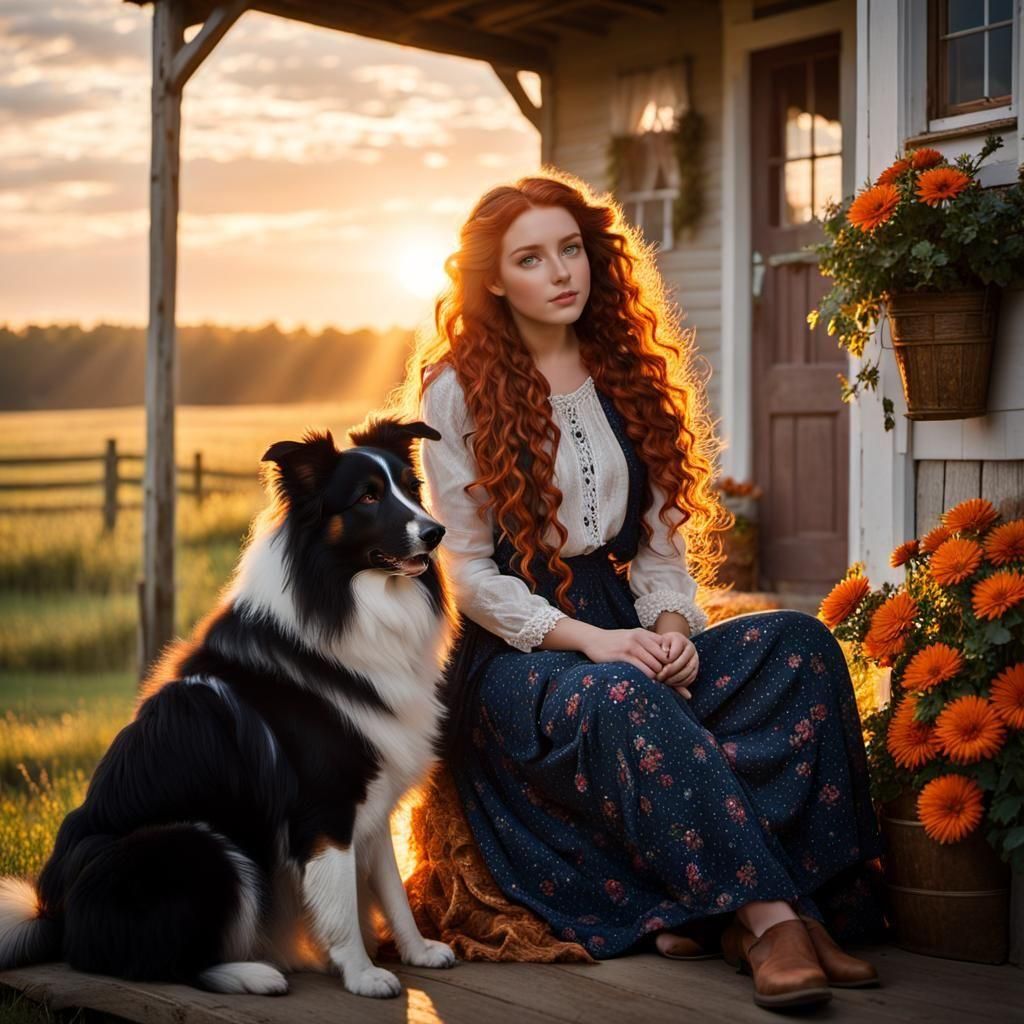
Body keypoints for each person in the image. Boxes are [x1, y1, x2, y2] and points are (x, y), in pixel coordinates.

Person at [394, 172, 885, 1010]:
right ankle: (775, 920)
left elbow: (659, 546)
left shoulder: (624, 370)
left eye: (571, 249)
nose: (561, 272)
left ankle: (747, 907)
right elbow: (467, 573)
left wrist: (667, 629)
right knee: (620, 692)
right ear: (493, 279)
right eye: (531, 257)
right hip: (523, 658)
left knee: (800, 646)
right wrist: (595, 643)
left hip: (624, 623)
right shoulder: (456, 389)